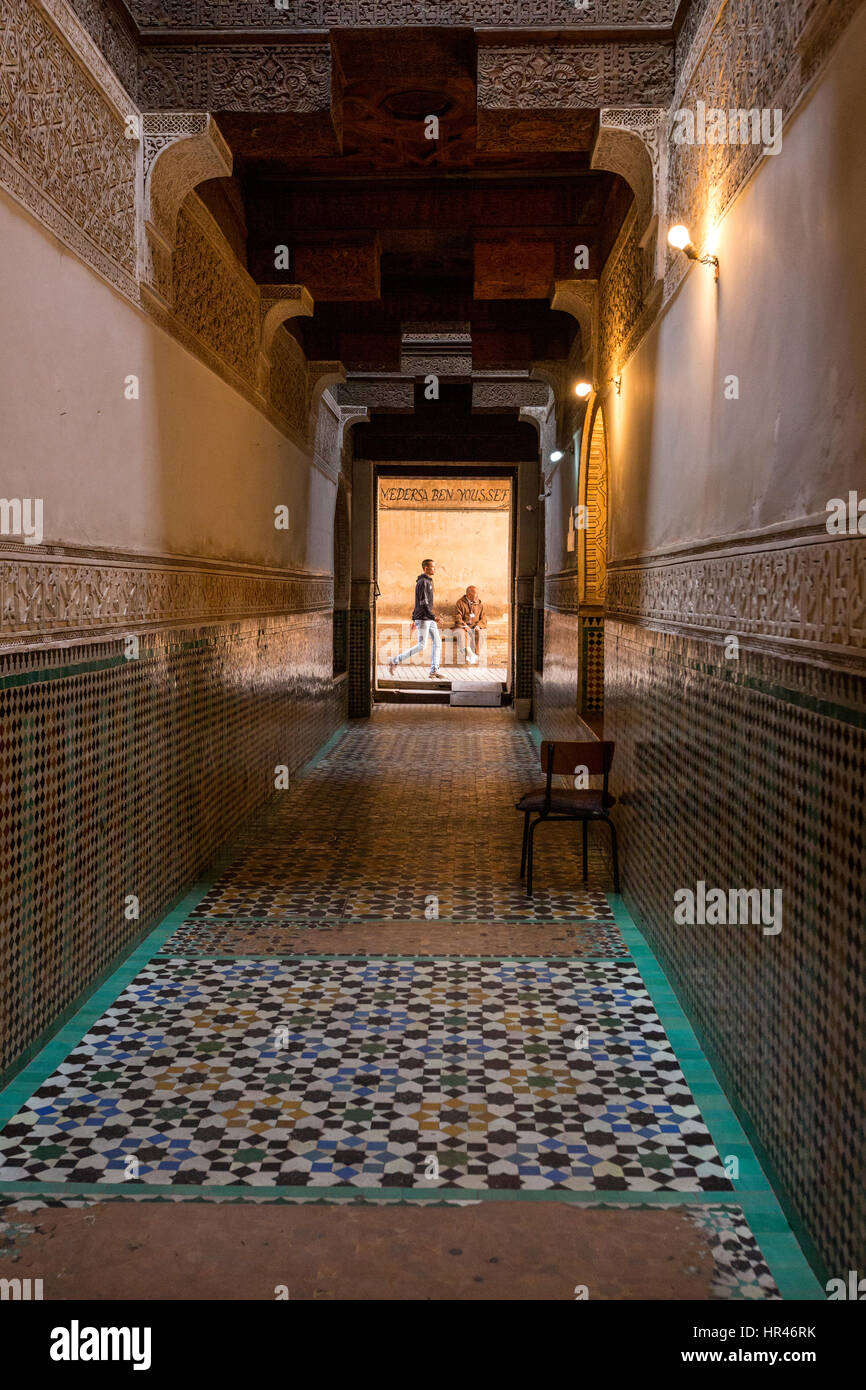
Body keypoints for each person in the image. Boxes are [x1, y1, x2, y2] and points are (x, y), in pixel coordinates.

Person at [388, 558, 443, 679]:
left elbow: (418, 603)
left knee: (437, 642)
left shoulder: (427, 581)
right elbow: (423, 603)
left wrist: (415, 618)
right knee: (422, 645)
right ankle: (395, 661)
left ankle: (434, 670)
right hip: (425, 618)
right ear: (426, 568)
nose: (435, 569)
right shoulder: (423, 582)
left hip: (426, 618)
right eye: (432, 567)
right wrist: (433, 617)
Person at [452, 585, 487, 665]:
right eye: (475, 594)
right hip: (462, 626)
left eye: (477, 594)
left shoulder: (479, 604)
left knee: (481, 633)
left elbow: (484, 618)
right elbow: (457, 616)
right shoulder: (460, 603)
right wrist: (464, 625)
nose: (477, 596)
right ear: (468, 595)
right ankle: (470, 653)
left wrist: (478, 626)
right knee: (461, 633)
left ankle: (475, 654)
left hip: (475, 626)